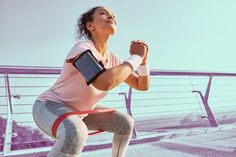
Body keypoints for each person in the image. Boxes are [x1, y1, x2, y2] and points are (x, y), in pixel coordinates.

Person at [32, 6, 150, 157]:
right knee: (76, 132)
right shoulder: (82, 48)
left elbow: (142, 85)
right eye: (103, 13)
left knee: (125, 123)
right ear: (90, 26)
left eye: (113, 15)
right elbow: (103, 82)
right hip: (49, 107)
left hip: (81, 112)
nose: (111, 17)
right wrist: (136, 57)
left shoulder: (112, 59)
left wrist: (143, 62)